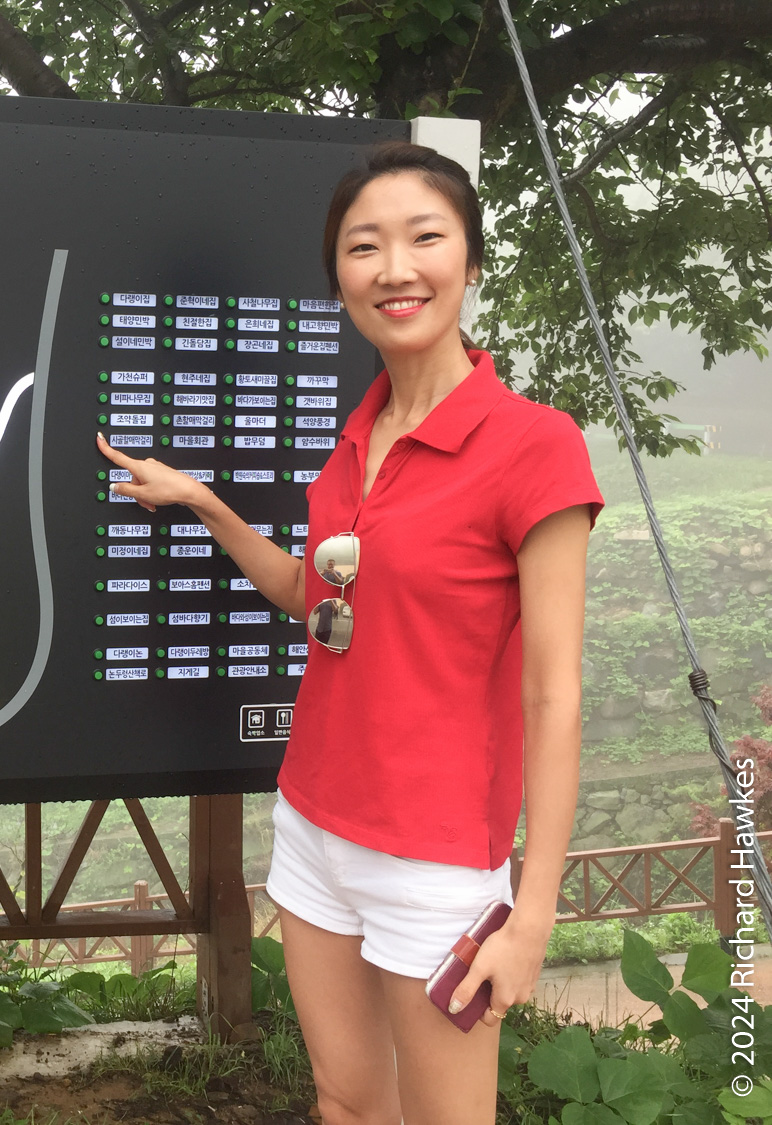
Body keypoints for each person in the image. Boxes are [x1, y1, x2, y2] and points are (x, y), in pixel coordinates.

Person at [96, 141, 603, 1125]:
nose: (395, 268)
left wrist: (533, 913)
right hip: (312, 827)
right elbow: (315, 597)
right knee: (346, 1101)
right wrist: (204, 502)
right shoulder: (354, 441)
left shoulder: (535, 446)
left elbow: (554, 694)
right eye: (364, 247)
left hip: (434, 861)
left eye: (425, 238)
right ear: (339, 279)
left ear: (473, 261)